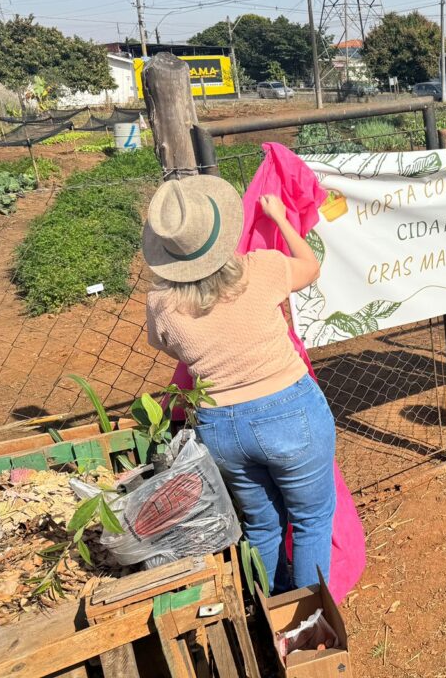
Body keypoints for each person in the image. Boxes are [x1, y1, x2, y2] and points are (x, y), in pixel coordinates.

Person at [142, 175, 335, 591]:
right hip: (290, 408)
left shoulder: (161, 304)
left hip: (221, 426)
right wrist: (281, 220)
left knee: (262, 528)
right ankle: (309, 630)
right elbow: (310, 267)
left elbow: (167, 346)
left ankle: (270, 623)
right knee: (311, 521)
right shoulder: (260, 268)